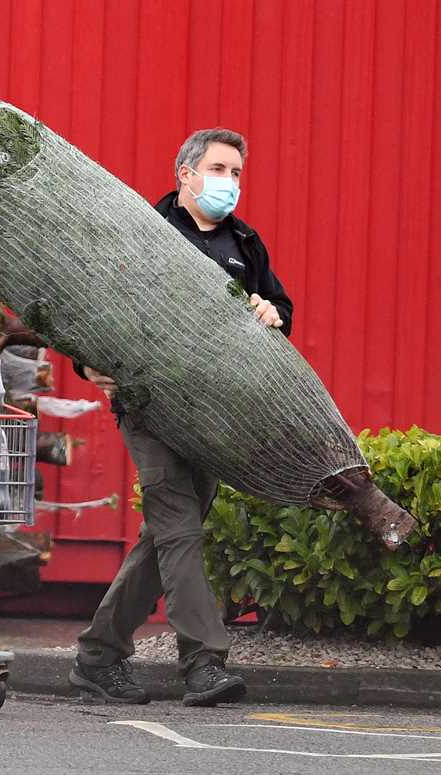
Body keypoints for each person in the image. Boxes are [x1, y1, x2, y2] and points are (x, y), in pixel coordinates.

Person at [69, 128, 293, 707]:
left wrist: (272, 313)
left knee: (163, 538)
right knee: (179, 526)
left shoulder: (246, 242)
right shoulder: (144, 231)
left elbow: (280, 309)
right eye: (219, 169)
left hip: (216, 410)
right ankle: (203, 662)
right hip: (151, 403)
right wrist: (86, 362)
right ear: (186, 175)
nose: (230, 182)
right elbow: (88, 300)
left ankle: (98, 657)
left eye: (238, 173)